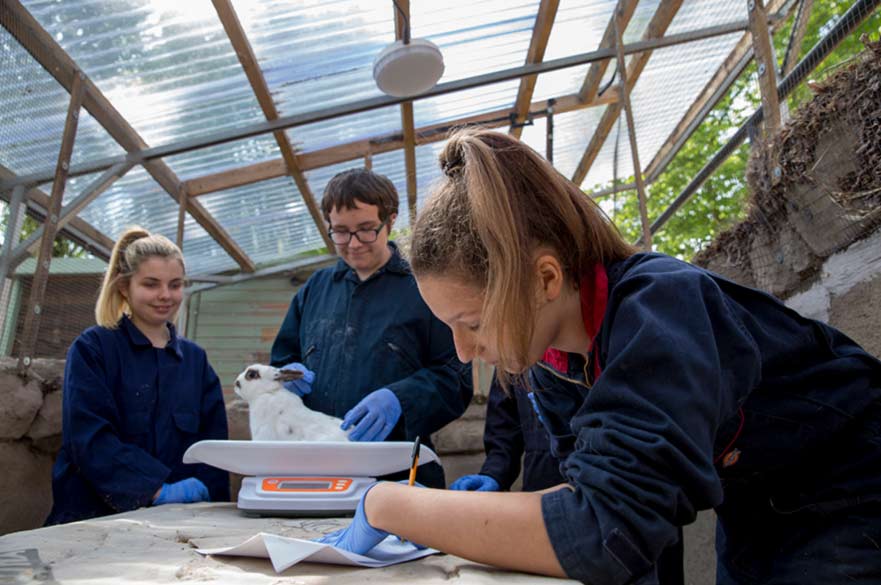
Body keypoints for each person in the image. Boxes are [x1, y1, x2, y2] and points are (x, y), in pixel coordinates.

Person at [314, 129, 881, 584]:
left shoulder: (659, 308)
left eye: (474, 324)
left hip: (849, 485)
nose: (464, 352)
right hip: (756, 500)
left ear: (544, 279)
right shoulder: (551, 361)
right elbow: (588, 495)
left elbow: (608, 528)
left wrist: (396, 506)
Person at [270, 168, 471, 488]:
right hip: (319, 471)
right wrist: (284, 376)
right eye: (340, 232)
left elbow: (454, 379)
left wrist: (399, 398)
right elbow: (281, 361)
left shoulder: (423, 288)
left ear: (390, 221)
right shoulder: (314, 290)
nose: (353, 244)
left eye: (366, 230)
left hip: (399, 473)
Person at [45, 228, 229, 526]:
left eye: (175, 285)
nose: (165, 295)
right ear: (123, 286)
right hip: (93, 519)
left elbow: (215, 446)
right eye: (151, 284)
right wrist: (153, 490)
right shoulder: (93, 349)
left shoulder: (196, 361)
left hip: (181, 523)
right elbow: (88, 436)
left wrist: (211, 501)